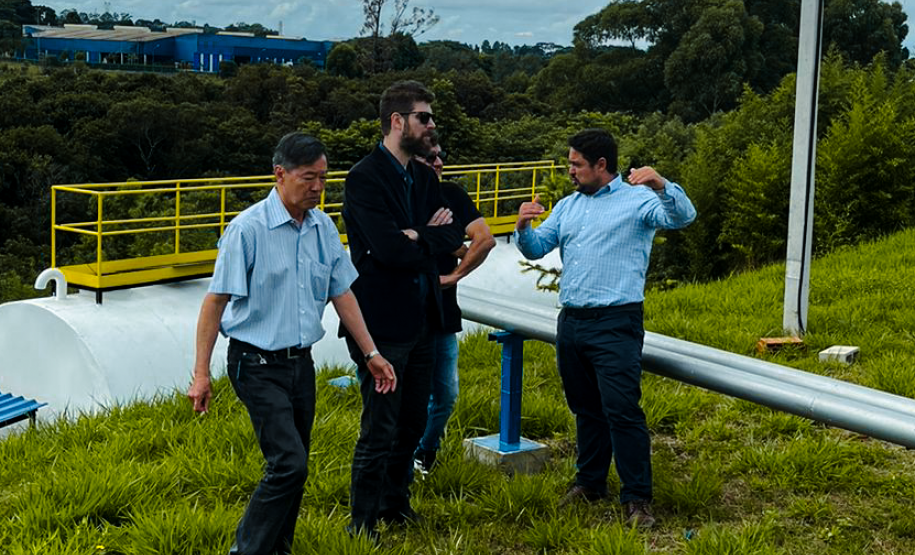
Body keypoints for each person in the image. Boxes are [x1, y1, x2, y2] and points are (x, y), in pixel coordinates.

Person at [187, 132, 396, 555]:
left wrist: (371, 353)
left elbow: (343, 293)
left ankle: (278, 547)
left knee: (296, 465)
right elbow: (215, 302)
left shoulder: (322, 227)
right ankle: (246, 551)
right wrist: (201, 374)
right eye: (308, 178)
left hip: (301, 364)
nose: (318, 187)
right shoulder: (247, 230)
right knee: (289, 464)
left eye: (323, 178)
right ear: (279, 174)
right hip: (255, 363)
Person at [514, 128, 696, 528]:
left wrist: (662, 184)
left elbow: (683, 216)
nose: (570, 171)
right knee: (585, 409)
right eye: (569, 164)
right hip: (573, 322)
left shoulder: (638, 200)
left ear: (601, 165)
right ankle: (590, 484)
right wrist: (524, 227)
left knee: (622, 411)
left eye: (576, 164)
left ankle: (637, 499)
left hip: (617, 321)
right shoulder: (567, 206)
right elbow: (537, 248)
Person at [341, 80, 464, 539]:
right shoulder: (364, 178)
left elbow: (452, 240)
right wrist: (419, 236)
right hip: (383, 324)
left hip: (425, 319)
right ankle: (363, 521)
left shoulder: (422, 176)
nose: (432, 125)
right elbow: (389, 252)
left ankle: (396, 503)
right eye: (424, 117)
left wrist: (417, 235)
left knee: (412, 421)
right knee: (381, 426)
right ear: (398, 122)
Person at [413, 136, 495, 473]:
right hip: (408, 315)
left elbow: (485, 239)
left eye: (439, 157)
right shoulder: (400, 197)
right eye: (429, 158)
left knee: (445, 396)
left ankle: (424, 452)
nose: (437, 163)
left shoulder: (452, 195)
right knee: (409, 399)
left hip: (443, 313)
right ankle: (400, 462)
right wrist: (441, 238)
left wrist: (455, 274)